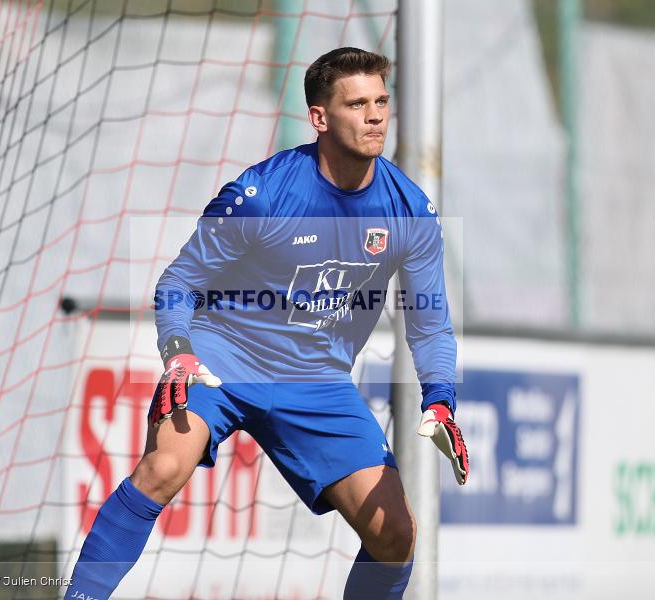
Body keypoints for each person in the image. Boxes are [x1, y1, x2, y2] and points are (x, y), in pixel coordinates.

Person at [64, 47, 468, 600]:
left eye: (381, 101)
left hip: (317, 380)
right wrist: (179, 351)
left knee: (395, 535)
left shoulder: (410, 211)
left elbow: (430, 323)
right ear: (320, 117)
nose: (376, 116)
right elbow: (178, 282)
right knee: (163, 467)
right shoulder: (262, 195)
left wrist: (441, 398)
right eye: (357, 104)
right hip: (223, 358)